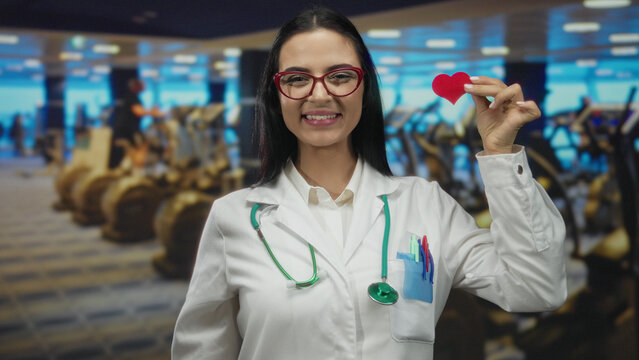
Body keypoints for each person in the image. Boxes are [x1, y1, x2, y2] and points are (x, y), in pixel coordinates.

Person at [172, 6, 567, 360]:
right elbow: (201, 350)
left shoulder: (425, 205)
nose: (320, 94)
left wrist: (499, 154)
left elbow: (535, 287)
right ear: (277, 96)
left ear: (365, 88)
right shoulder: (235, 218)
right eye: (297, 79)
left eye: (341, 76)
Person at [108, 78, 162, 168]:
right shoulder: (132, 96)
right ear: (138, 86)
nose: (145, 87)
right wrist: (154, 113)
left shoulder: (133, 96)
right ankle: (136, 167)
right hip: (126, 130)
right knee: (140, 147)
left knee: (140, 146)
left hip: (127, 129)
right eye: (143, 85)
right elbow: (138, 111)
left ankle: (134, 167)